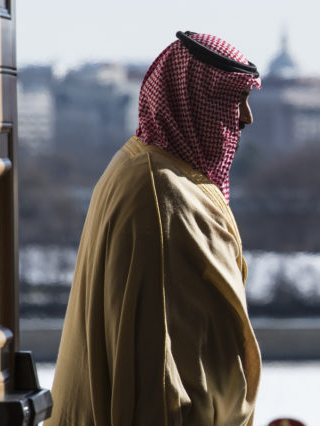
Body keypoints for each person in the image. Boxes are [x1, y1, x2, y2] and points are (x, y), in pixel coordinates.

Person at [47, 31, 262, 425]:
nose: (246, 118)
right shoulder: (163, 195)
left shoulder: (140, 168)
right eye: (234, 101)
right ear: (190, 101)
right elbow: (156, 369)